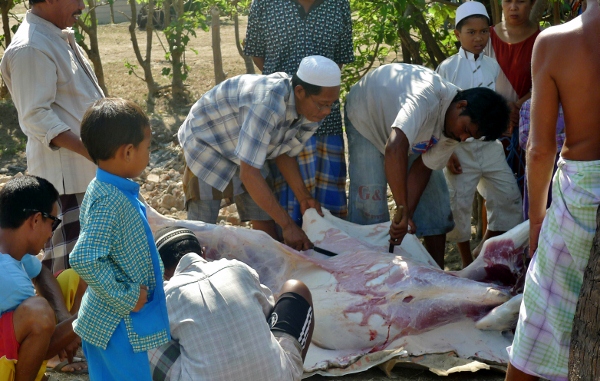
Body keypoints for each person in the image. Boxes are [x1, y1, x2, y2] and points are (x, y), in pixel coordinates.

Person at [505, 1, 600, 380]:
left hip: (582, 194)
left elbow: (540, 148)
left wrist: (536, 221)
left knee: (545, 311)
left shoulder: (557, 42)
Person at [345, 64, 509, 268]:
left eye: (470, 137)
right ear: (461, 105)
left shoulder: (454, 131)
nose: (463, 138)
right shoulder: (426, 97)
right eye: (466, 129)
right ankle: (365, 273)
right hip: (365, 115)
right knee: (370, 207)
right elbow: (394, 149)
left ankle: (436, 272)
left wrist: (407, 216)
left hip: (407, 135)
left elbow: (422, 168)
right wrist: (402, 208)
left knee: (437, 208)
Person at [179, 55, 341, 251]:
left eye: (331, 104)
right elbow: (249, 174)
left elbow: (285, 152)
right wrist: (288, 225)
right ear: (300, 91)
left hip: (246, 143)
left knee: (266, 225)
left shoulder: (314, 110)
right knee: (202, 231)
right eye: (323, 104)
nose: (327, 111)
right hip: (209, 140)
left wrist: (304, 197)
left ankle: (265, 273)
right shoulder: (268, 104)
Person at [0, 0, 104, 274]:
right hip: (67, 185)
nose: (82, 5)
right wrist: (94, 152)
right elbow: (36, 117)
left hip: (85, 176)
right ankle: (64, 318)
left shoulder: (58, 37)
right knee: (68, 270)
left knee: (91, 268)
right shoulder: (31, 48)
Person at [69, 98, 170, 381]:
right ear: (127, 152)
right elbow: (84, 257)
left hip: (116, 324)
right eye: (147, 147)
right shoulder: (109, 199)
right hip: (118, 327)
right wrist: (125, 296)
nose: (149, 154)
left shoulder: (107, 187)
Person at [148, 226, 315, 381]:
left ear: (160, 272)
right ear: (203, 253)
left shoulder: (166, 297)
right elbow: (268, 312)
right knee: (296, 288)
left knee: (145, 336)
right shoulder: (237, 268)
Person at [244, 0, 354, 225]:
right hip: (280, 117)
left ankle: (331, 256)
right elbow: (257, 54)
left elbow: (339, 60)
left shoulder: (339, 4)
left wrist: (319, 98)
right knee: (286, 197)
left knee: (329, 200)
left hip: (325, 120)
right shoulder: (264, 4)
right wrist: (291, 96)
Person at [436, 1, 522, 267]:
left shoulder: (492, 67)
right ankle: (465, 264)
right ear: (457, 34)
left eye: (483, 32)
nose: (478, 38)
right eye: (471, 32)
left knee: (508, 198)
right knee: (458, 206)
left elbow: (495, 105)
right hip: (458, 149)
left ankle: (485, 251)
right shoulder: (447, 69)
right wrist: (446, 152)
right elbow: (440, 113)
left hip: (489, 147)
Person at [0, 175, 84, 381]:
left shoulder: (10, 248)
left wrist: (63, 316)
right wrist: (88, 316)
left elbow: (41, 272)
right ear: (36, 220)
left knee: (72, 278)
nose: (50, 234)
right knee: (38, 313)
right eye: (53, 223)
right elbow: (45, 343)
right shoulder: (9, 277)